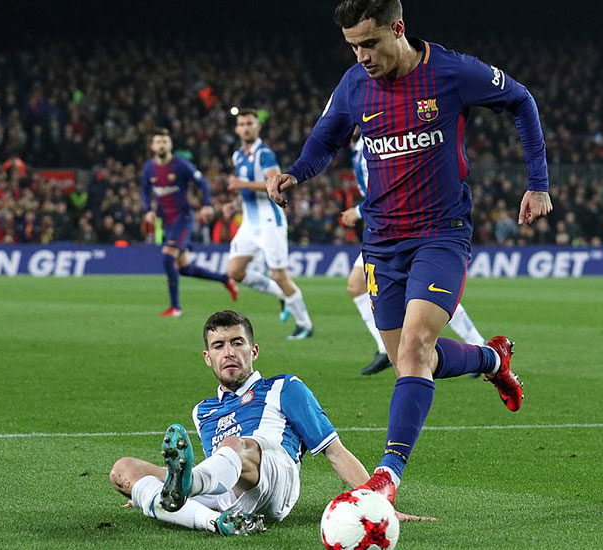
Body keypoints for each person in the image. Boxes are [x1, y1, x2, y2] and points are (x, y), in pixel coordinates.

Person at [268, 0, 552, 503]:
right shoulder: (354, 85)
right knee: (410, 361)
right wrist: (295, 173)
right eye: (353, 46)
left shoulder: (451, 72)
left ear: (397, 28)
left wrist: (538, 182)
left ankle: (387, 476)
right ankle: (492, 359)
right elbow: (324, 141)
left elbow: (521, 99)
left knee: (416, 345)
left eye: (370, 43)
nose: (361, 56)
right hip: (381, 243)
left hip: (441, 233)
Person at [108, 310, 370, 535]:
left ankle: (172, 494)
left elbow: (335, 452)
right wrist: (146, 487)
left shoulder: (284, 387)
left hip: (275, 478)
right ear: (207, 357)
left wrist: (374, 502)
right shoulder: (202, 412)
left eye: (237, 343)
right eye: (219, 346)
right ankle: (214, 522)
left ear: (253, 351)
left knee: (234, 444)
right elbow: (218, 470)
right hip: (229, 493)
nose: (229, 352)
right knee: (123, 469)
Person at [343, 135, 486, 376]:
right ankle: (384, 347)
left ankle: (478, 345)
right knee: (357, 285)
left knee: (428, 293)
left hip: (402, 230)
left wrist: (358, 212)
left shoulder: (374, 140)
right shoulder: (357, 147)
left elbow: (387, 189)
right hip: (382, 230)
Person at [225, 110, 315, 340]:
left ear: (258, 128)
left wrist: (242, 184)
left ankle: (305, 324)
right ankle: (283, 296)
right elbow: (246, 192)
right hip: (249, 222)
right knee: (235, 270)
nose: (246, 127)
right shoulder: (238, 156)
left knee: (279, 275)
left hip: (269, 222)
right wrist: (235, 205)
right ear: (236, 129)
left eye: (250, 123)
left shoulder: (264, 154)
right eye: (242, 124)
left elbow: (274, 183)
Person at [142, 128, 238, 317]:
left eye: (165, 142)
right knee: (184, 268)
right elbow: (145, 191)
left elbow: (202, 183)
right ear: (152, 146)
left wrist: (206, 204)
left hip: (182, 218)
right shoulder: (149, 168)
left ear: (170, 145)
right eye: (158, 142)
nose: (161, 145)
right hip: (166, 221)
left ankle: (175, 307)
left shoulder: (181, 165)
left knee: (168, 256)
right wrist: (148, 210)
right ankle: (225, 279)